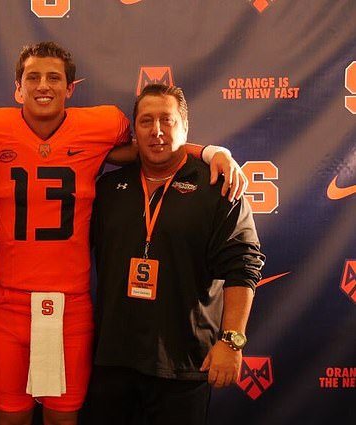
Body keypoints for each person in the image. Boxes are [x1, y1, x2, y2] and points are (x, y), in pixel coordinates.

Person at [0, 42, 247, 425]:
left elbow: (152, 145)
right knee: (12, 415)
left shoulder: (101, 125)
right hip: (10, 304)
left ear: (70, 88)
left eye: (54, 78)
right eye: (34, 77)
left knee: (64, 416)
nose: (44, 85)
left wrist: (209, 152)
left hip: (71, 305)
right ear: (18, 88)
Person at [85, 83, 265, 425]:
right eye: (146, 122)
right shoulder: (108, 189)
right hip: (112, 362)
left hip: (184, 363)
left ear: (184, 128)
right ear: (134, 133)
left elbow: (243, 266)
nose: (156, 131)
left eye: (166, 121)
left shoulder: (219, 187)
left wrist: (232, 341)